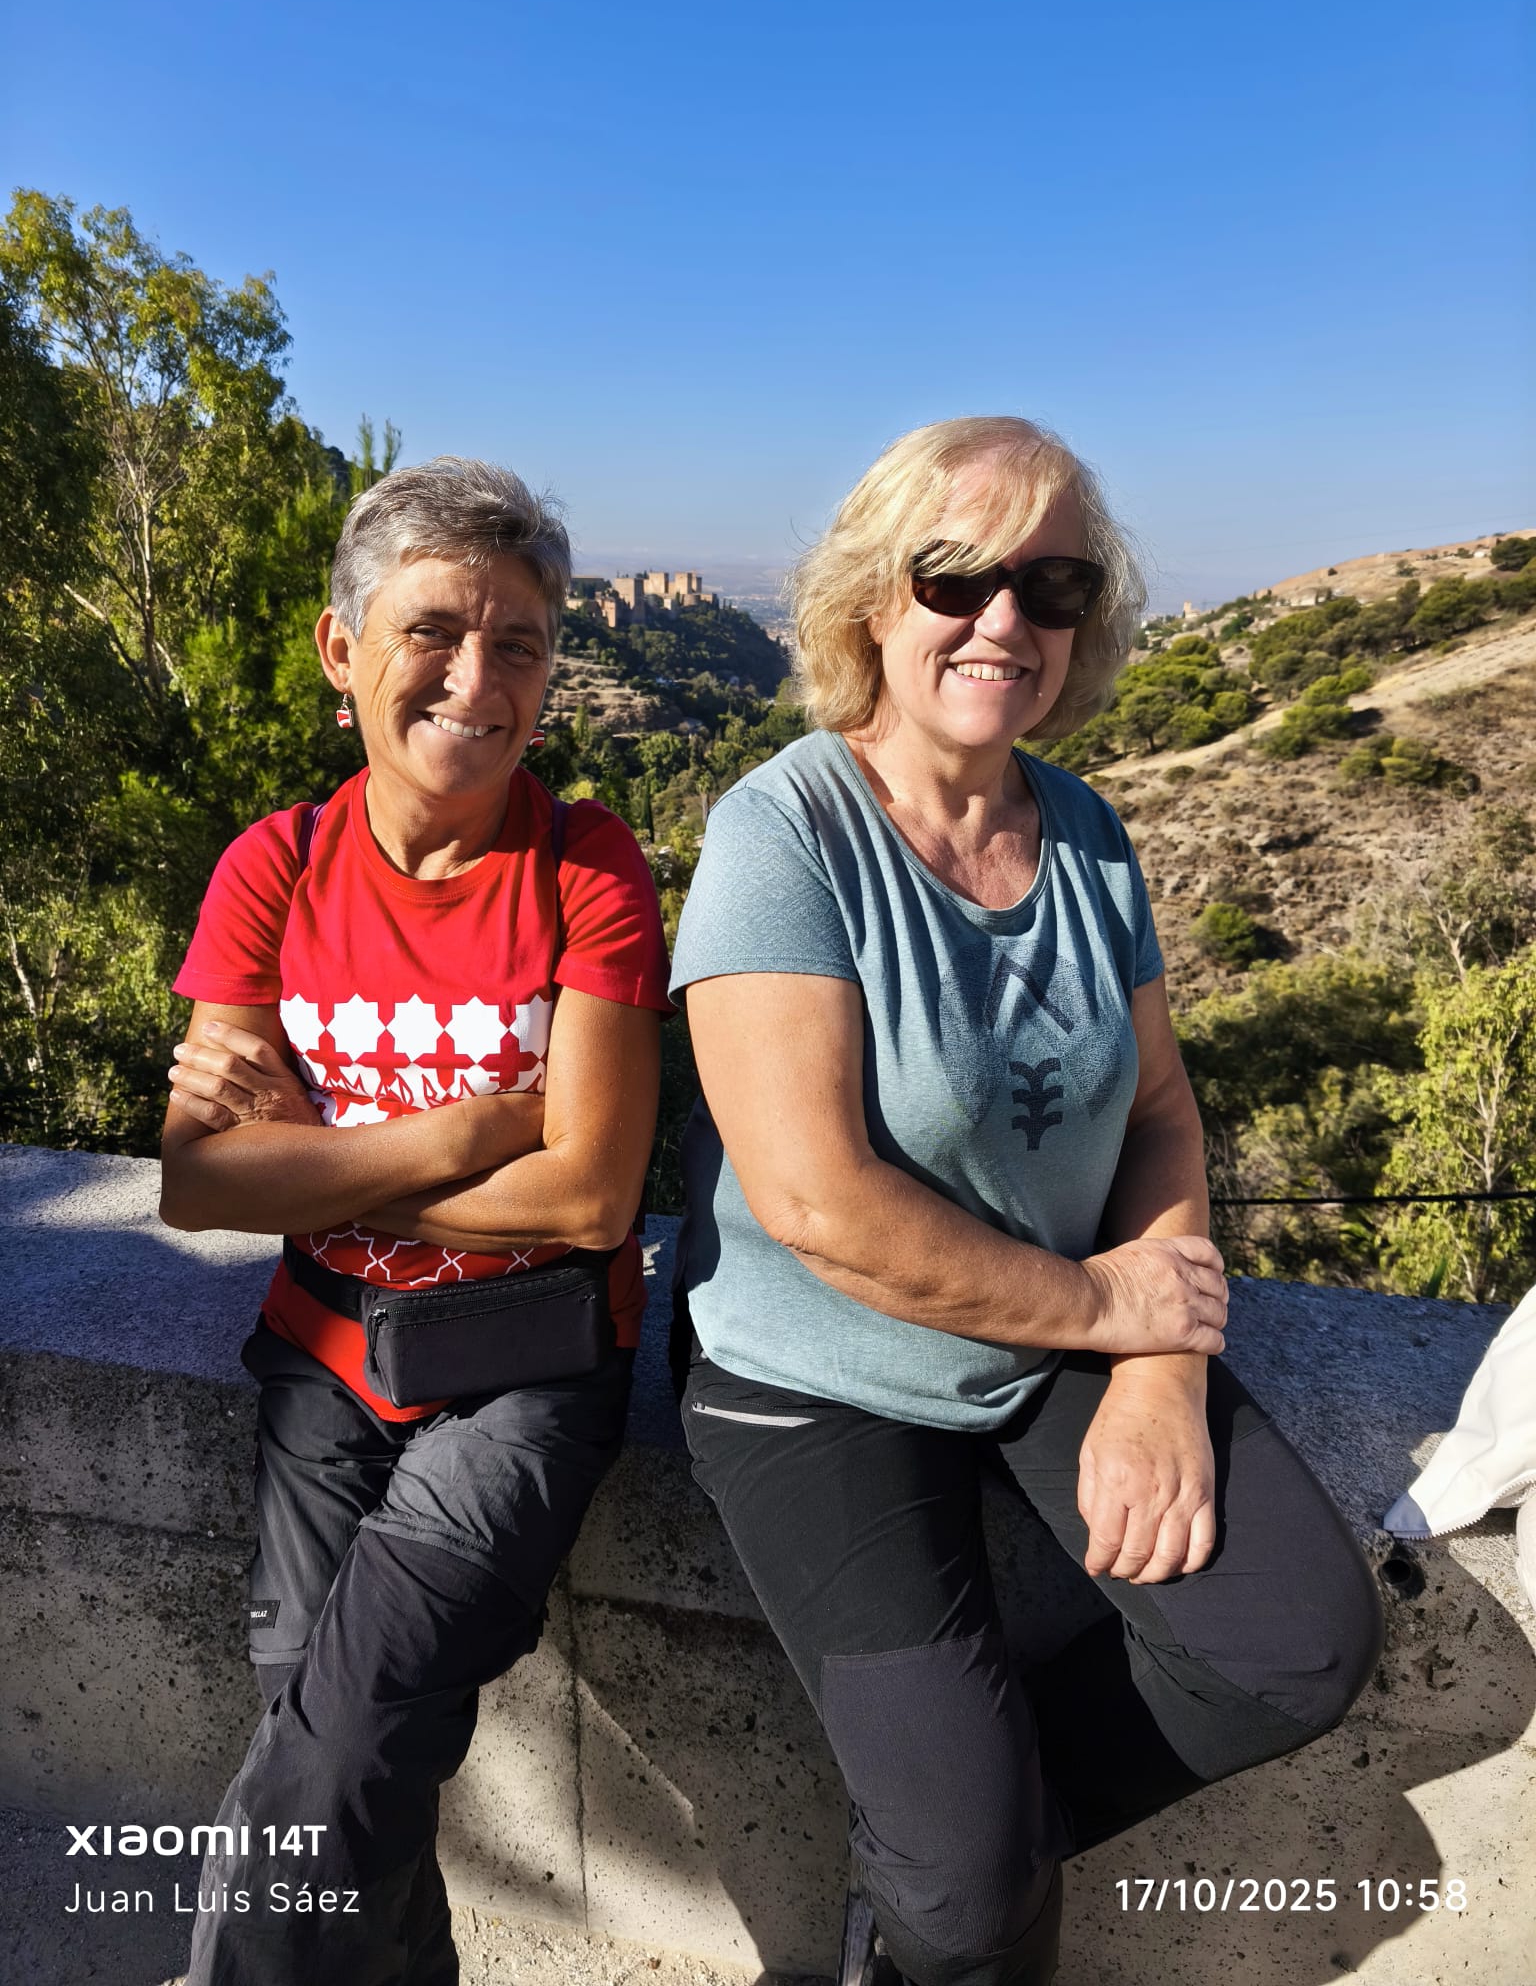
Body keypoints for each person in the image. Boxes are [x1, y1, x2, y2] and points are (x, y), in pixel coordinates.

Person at [669, 417, 1384, 1986]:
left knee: (1294, 1647)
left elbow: (1162, 1113)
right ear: (873, 599)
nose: (1006, 618)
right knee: (977, 1902)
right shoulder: (781, 836)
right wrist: (1104, 1309)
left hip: (1057, 1335)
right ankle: (954, 1874)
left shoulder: (1088, 835)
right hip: (815, 1378)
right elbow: (817, 1201)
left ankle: (947, 1855)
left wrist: (1161, 1367)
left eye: (1053, 585)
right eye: (956, 577)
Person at [160, 457, 670, 1986]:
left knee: (339, 1747)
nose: (476, 680)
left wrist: (315, 1153)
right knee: (321, 1733)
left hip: (524, 1374)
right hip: (325, 1361)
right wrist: (461, 1131)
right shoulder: (275, 867)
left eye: (519, 644)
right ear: (344, 648)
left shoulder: (588, 866)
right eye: (434, 632)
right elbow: (198, 1183)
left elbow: (590, 1196)